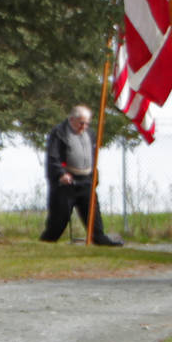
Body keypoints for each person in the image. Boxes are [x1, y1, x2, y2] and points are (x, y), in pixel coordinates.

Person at [40, 105, 121, 245]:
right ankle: (47, 242)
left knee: (93, 215)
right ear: (72, 119)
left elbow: (93, 156)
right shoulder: (59, 132)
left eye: (87, 123)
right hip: (67, 183)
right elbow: (53, 157)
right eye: (81, 123)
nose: (84, 126)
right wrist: (61, 174)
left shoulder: (90, 134)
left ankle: (99, 238)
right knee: (59, 220)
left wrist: (94, 175)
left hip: (86, 181)